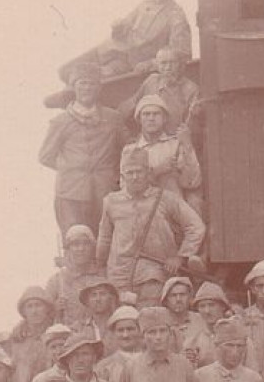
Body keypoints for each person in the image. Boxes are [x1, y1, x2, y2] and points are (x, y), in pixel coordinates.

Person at [95, 145, 206, 299]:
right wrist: (100, 267)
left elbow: (195, 227)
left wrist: (180, 257)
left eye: (139, 171)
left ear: (148, 172)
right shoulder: (111, 201)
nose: (135, 177)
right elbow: (105, 238)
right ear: (123, 175)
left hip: (154, 273)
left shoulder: (165, 198)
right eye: (130, 172)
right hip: (119, 275)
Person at [39, 65, 127, 236]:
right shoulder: (61, 121)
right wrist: (71, 168)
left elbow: (126, 150)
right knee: (76, 242)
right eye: (82, 83)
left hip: (106, 191)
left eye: (92, 84)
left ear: (99, 88)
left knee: (106, 240)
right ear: (74, 87)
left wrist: (115, 175)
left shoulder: (113, 118)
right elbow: (45, 156)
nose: (87, 88)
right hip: (71, 193)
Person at [72, 0, 191, 83]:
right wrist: (118, 27)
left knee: (88, 77)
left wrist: (151, 63)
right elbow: (126, 25)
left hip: (131, 63)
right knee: (68, 69)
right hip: (113, 49)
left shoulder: (176, 14)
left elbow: (181, 52)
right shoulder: (145, 4)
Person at [130, 94, 203, 209]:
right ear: (139, 119)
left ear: (164, 119)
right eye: (146, 114)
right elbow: (128, 189)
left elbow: (192, 182)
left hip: (173, 211)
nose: (151, 118)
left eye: (156, 114)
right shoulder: (131, 151)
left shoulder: (175, 145)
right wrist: (158, 171)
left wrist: (187, 144)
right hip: (143, 211)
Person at [127, 46, 200, 138]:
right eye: (163, 63)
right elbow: (133, 103)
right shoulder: (151, 81)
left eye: (172, 63)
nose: (168, 68)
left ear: (181, 65)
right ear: (157, 66)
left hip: (174, 140)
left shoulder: (191, 89)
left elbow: (191, 126)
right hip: (150, 139)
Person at [46, 226, 107, 328]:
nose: (81, 249)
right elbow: (44, 315)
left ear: (92, 247)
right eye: (75, 244)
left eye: (86, 243)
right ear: (68, 249)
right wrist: (55, 308)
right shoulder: (57, 281)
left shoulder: (103, 275)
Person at [3, 287, 57, 382]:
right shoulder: (15, 340)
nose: (34, 311)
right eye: (30, 306)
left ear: (47, 309)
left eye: (38, 305)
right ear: (24, 312)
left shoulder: (55, 336)